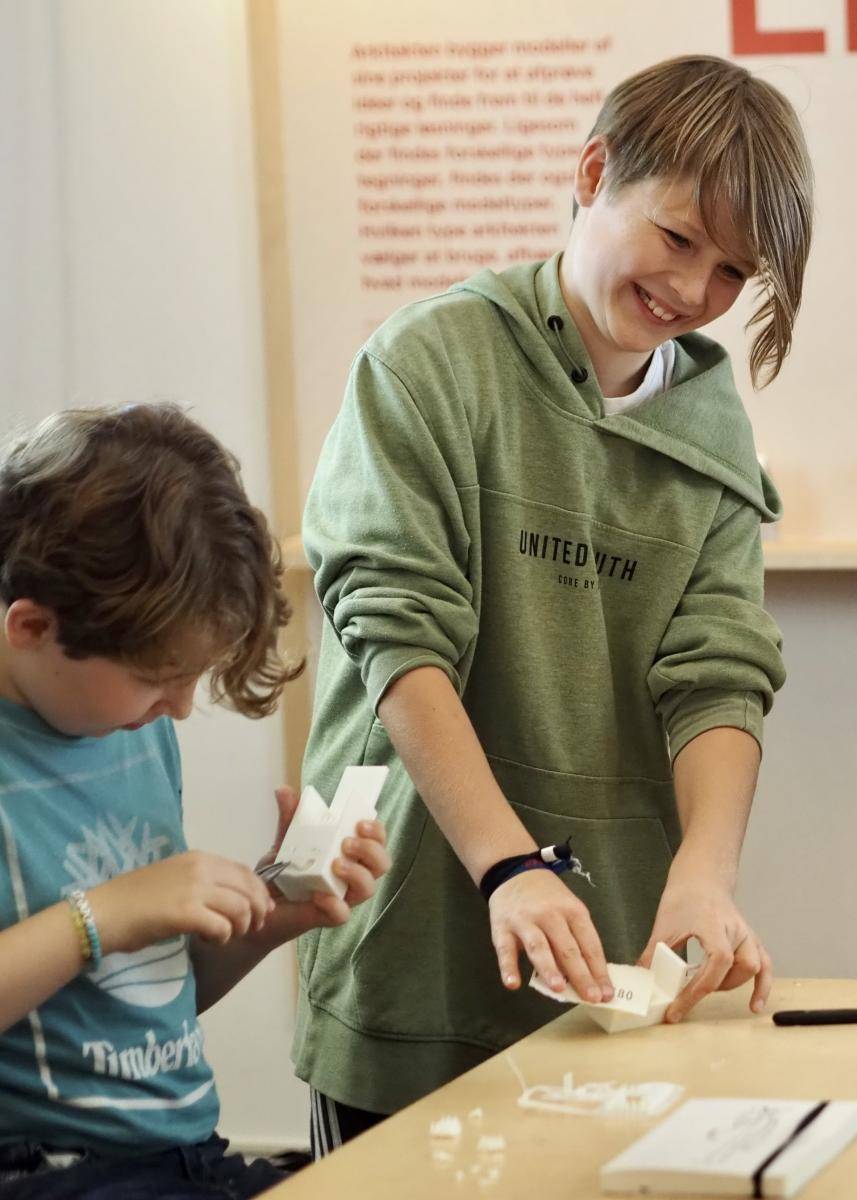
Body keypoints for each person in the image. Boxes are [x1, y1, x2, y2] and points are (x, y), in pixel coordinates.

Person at [293, 54, 815, 1149]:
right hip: (411, 925)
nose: (693, 291)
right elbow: (397, 639)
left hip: (601, 954)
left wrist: (705, 872)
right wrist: (509, 864)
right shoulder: (429, 362)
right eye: (679, 239)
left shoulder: (713, 431)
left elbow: (720, 675)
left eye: (733, 271)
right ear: (592, 173)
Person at [0, 403, 390, 1197]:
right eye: (156, 679)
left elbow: (147, 995)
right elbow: (109, 926)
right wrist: (100, 917)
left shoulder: (134, 729)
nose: (179, 709)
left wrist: (268, 915)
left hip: (184, 1155)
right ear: (31, 627)